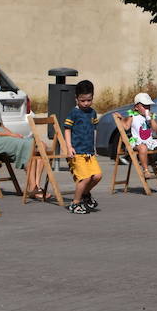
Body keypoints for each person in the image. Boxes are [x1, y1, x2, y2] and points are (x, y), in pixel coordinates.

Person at [0, 66, 45, 201]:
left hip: (0, 135)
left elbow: (1, 125)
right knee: (29, 146)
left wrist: (13, 134)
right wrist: (10, 136)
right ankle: (33, 188)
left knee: (40, 145)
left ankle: (35, 185)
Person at [62, 80, 102, 214]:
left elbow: (94, 130)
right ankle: (75, 203)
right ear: (76, 99)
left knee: (97, 176)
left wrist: (95, 147)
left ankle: (85, 194)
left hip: (89, 152)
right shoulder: (74, 113)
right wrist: (69, 147)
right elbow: (67, 129)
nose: (86, 103)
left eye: (89, 100)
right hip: (77, 152)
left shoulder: (93, 112)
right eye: (82, 100)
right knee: (84, 178)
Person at [118, 93, 157, 180]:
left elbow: (156, 129)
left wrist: (151, 120)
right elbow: (126, 127)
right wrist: (121, 119)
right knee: (143, 148)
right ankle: (146, 170)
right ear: (136, 107)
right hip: (137, 141)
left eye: (148, 106)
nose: (147, 108)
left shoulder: (150, 117)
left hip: (149, 140)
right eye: (144, 106)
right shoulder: (133, 116)